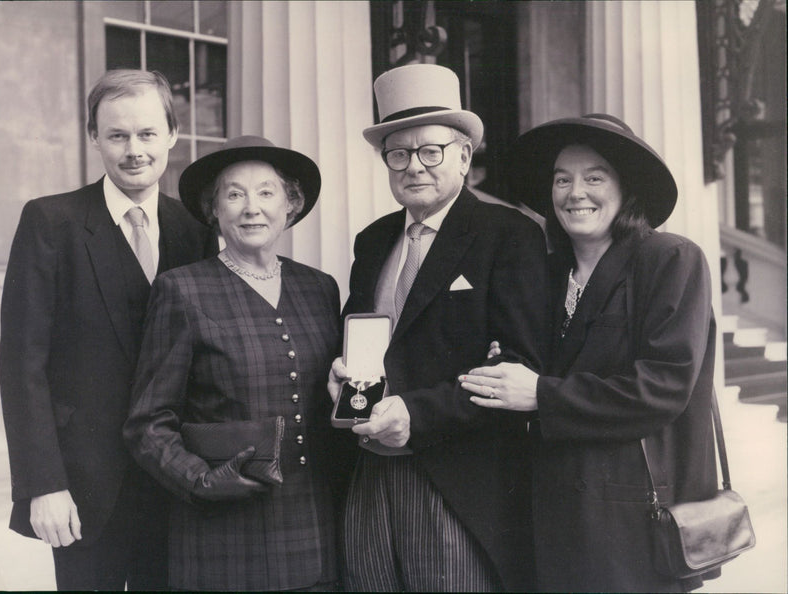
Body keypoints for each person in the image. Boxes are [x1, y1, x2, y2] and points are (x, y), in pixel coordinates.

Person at [461, 114, 719, 592]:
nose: (574, 192)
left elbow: (663, 387)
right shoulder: (546, 270)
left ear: (627, 189)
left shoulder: (670, 260)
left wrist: (541, 394)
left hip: (633, 517)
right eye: (562, 179)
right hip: (548, 514)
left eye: (594, 177)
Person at [327, 63, 548, 592]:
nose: (414, 167)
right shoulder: (374, 240)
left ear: (465, 156)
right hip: (369, 470)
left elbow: (519, 365)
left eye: (431, 151)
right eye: (398, 153)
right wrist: (339, 378)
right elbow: (362, 339)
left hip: (457, 479)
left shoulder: (509, 234)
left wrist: (416, 414)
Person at [0, 69, 213, 590]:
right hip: (83, 489)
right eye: (117, 135)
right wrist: (42, 485)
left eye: (146, 134)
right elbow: (21, 365)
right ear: (94, 136)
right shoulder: (51, 222)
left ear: (171, 135)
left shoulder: (195, 228)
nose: (133, 150)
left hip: (176, 487)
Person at [123, 135, 345, 591]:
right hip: (223, 533)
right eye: (234, 194)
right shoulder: (182, 290)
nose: (251, 208)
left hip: (316, 525)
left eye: (266, 192)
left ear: (291, 206)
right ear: (215, 211)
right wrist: (201, 480)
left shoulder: (320, 288)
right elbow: (147, 423)